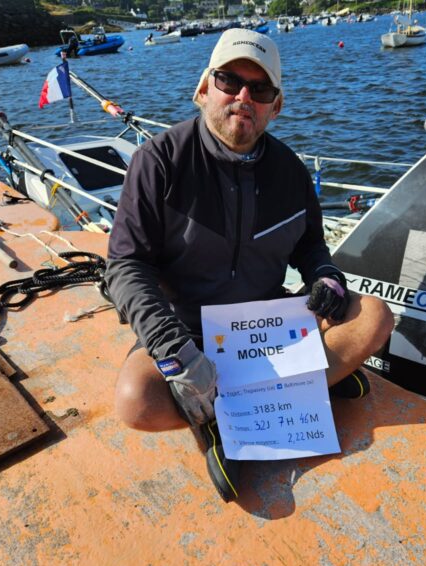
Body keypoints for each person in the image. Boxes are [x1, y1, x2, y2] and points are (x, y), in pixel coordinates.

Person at [105, 28, 394, 503]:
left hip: (267, 327)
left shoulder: (291, 171)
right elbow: (125, 265)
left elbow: (311, 249)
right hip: (189, 333)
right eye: (228, 81)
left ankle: (233, 410)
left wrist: (327, 278)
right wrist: (172, 350)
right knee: (136, 401)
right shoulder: (158, 161)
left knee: (376, 317)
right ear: (203, 90)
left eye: (259, 89)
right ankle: (286, 394)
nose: (243, 97)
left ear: (275, 107)